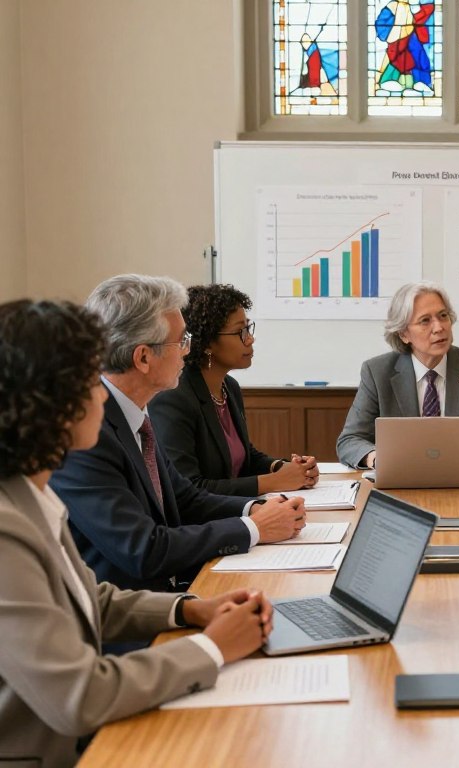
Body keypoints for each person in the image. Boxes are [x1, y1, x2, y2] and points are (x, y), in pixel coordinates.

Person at [0, 299, 273, 768]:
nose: (103, 394)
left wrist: (191, 609)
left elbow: (90, 601)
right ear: (48, 401)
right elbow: (81, 694)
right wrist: (211, 647)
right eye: (90, 381)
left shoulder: (30, 495)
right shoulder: (6, 529)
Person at [50, 275, 307, 593]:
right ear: (143, 357)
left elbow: (185, 498)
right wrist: (252, 528)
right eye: (181, 340)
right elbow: (143, 549)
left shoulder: (135, 412)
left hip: (171, 591)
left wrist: (254, 509)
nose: (188, 350)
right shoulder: (85, 433)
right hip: (126, 618)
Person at [150, 283, 319, 496]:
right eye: (240, 331)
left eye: (249, 328)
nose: (250, 338)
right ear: (207, 342)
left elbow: (244, 457)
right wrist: (275, 482)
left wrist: (283, 467)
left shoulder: (228, 386)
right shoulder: (174, 397)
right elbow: (189, 489)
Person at [336, 281, 459, 468]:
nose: (439, 327)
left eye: (443, 316)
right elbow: (350, 440)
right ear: (403, 334)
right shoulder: (377, 372)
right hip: (400, 481)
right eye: (425, 320)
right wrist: (377, 459)